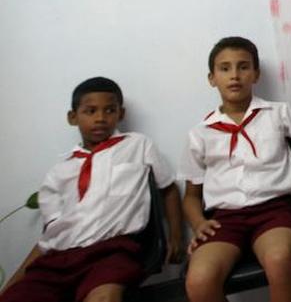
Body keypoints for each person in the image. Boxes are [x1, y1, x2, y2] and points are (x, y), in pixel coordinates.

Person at [0, 77, 183, 302]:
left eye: (109, 110)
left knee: (103, 297)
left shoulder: (137, 145)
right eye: (90, 111)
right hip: (60, 259)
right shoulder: (58, 172)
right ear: (72, 117)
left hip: (114, 251)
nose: (100, 118)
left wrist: (176, 236)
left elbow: (169, 189)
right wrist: (12, 282)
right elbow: (51, 235)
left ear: (121, 113)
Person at [180, 37, 291, 302]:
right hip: (225, 219)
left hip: (275, 211)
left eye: (243, 67)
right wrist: (199, 223)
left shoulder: (278, 113)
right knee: (199, 281)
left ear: (255, 74)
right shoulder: (200, 133)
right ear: (212, 78)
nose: (234, 75)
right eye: (225, 68)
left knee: (279, 260)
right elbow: (190, 196)